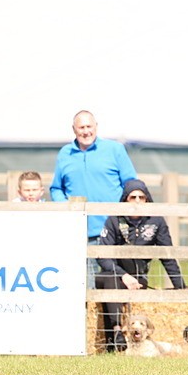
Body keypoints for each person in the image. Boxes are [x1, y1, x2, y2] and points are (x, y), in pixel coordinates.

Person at [95, 179, 186, 353]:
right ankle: (117, 332)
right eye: (132, 197)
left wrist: (181, 288)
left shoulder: (156, 221)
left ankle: (115, 340)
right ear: (125, 200)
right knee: (111, 280)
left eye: (141, 197)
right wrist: (123, 275)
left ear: (147, 200)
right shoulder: (114, 220)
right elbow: (102, 256)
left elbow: (167, 256)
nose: (137, 201)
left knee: (116, 282)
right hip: (112, 274)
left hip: (138, 278)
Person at [50, 110, 137, 287]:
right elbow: (56, 188)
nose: (86, 131)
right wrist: (67, 208)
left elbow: (131, 185)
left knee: (116, 284)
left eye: (89, 126)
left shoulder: (115, 150)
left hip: (114, 231)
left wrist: (127, 216)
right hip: (79, 232)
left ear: (96, 127)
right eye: (81, 127)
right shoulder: (65, 153)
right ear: (74, 129)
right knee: (84, 286)